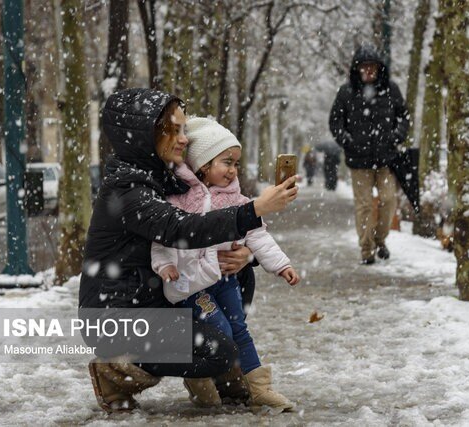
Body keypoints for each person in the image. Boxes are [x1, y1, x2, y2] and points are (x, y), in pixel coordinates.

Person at [79, 88, 298, 413]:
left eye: (185, 129)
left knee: (238, 279)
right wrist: (254, 210)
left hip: (157, 299)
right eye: (175, 129)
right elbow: (180, 229)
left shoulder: (165, 179)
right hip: (119, 316)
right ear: (145, 133)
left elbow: (207, 232)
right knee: (217, 350)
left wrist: (246, 257)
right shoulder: (129, 189)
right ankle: (118, 372)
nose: (184, 138)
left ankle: (221, 371)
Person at [151, 117, 299, 412]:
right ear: (203, 164)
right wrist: (164, 265)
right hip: (191, 284)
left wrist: (281, 265)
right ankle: (198, 377)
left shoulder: (238, 200)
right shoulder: (179, 199)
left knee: (238, 328)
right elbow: (161, 239)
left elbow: (258, 234)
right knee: (220, 331)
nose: (232, 170)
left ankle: (259, 388)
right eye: (226, 162)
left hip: (225, 280)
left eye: (235, 164)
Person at [329, 44, 409, 264]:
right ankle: (366, 249)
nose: (368, 71)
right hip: (358, 160)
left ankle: (380, 239)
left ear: (379, 68)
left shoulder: (391, 90)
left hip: (386, 158)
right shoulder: (346, 92)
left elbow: (403, 116)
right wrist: (347, 141)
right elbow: (335, 121)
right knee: (363, 205)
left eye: (372, 67)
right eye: (363, 67)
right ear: (357, 70)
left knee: (388, 200)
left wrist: (395, 136)